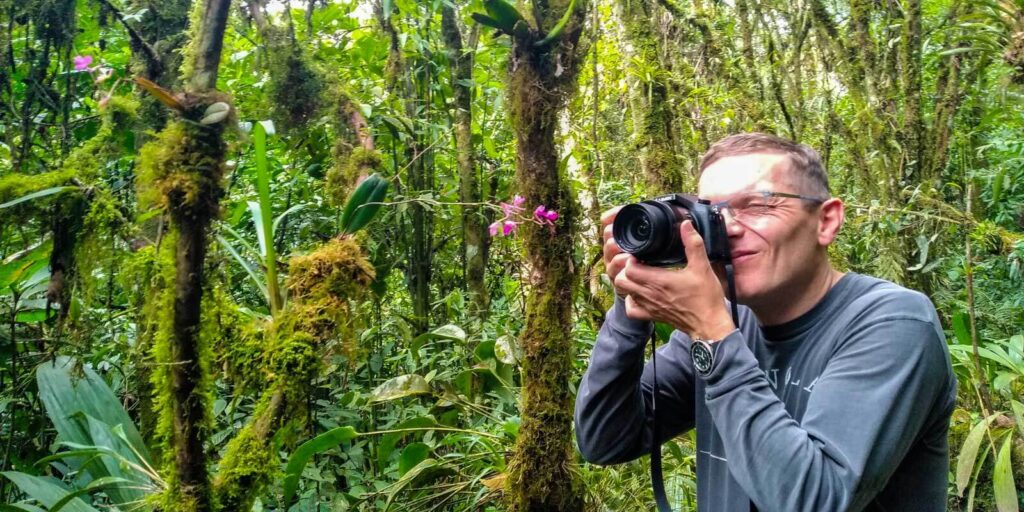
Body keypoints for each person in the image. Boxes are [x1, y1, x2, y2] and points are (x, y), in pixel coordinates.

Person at [574, 133, 956, 511]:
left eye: (758, 205)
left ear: (826, 221)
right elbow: (606, 439)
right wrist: (630, 305)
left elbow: (815, 501)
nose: (729, 227)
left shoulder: (893, 322)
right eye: (711, 213)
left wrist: (711, 333)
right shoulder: (724, 319)